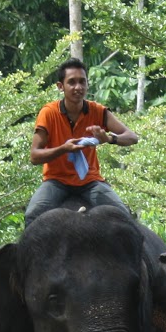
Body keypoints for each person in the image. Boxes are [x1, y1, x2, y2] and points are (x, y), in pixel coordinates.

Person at [25, 58, 138, 227]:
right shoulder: (48, 113)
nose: (78, 87)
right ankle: (25, 254)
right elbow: (35, 156)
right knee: (32, 216)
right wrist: (64, 148)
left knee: (123, 216)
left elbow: (132, 137)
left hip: (89, 181)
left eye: (82, 82)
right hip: (56, 180)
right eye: (71, 82)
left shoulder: (97, 111)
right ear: (60, 86)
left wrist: (109, 138)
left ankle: (140, 254)